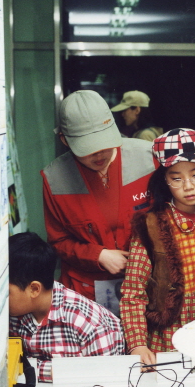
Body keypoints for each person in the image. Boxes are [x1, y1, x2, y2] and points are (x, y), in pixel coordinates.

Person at [42, 90, 157, 302]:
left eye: (104, 143)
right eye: (88, 149)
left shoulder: (149, 158)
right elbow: (58, 241)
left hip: (147, 284)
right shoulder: (54, 178)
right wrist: (98, 256)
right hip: (85, 291)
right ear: (65, 141)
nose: (99, 154)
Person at [120, 128, 195, 366]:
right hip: (166, 335)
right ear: (164, 179)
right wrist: (138, 344)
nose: (188, 186)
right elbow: (133, 292)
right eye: (176, 178)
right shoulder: (152, 225)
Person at [9, 232, 125, 383]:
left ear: (34, 289)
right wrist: (63, 370)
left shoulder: (89, 324)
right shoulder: (15, 312)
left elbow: (105, 378)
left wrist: (28, 368)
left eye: (6, 292)